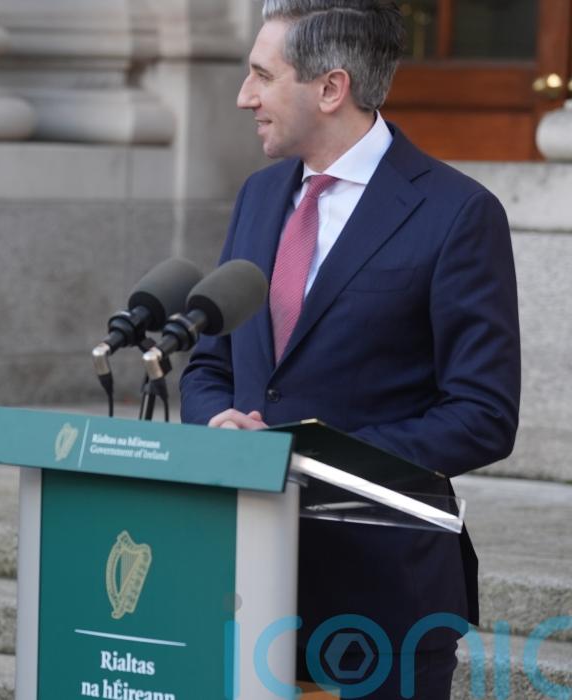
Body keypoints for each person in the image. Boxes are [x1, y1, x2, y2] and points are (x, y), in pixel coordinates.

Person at [178, 1, 520, 697]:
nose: (244, 97)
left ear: (331, 88)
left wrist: (304, 458)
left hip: (380, 598)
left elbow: (482, 414)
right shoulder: (257, 196)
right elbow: (212, 363)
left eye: (262, 76)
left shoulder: (457, 213)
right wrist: (218, 424)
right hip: (240, 581)